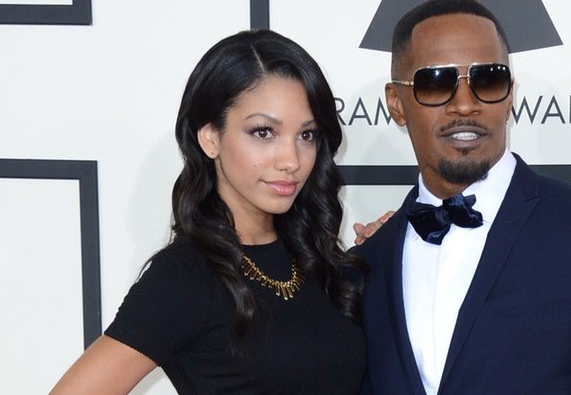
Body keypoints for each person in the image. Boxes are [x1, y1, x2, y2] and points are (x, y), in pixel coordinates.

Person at [355, 0, 571, 395]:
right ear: (397, 103)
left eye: (487, 79)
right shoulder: (366, 263)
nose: (465, 104)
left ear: (510, 93)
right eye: (436, 82)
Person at [51, 29, 367, 395]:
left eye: (306, 135)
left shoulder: (316, 259)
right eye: (263, 132)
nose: (291, 160)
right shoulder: (184, 276)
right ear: (210, 137)